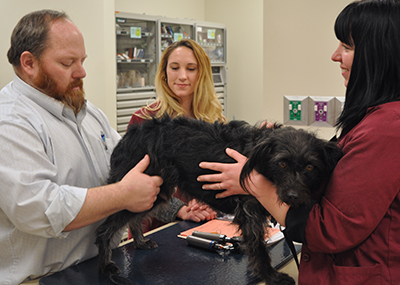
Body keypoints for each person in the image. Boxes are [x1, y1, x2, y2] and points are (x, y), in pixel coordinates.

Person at [199, 0, 400, 284]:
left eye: (347, 46)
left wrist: (251, 182)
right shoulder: (372, 118)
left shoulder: (387, 129)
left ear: (378, 54)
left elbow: (330, 228)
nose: (334, 55)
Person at [0, 10, 163, 284]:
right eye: (67, 62)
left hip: (96, 268)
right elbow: (40, 209)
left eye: (82, 60)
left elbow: (130, 165)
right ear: (28, 63)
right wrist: (122, 195)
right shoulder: (10, 120)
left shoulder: (89, 114)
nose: (81, 72)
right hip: (43, 279)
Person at [129, 39, 224, 231]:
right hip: (155, 232)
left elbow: (218, 176)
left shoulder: (214, 121)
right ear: (164, 72)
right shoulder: (144, 120)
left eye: (191, 69)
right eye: (174, 68)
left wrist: (208, 201)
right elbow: (132, 185)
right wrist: (179, 209)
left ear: (202, 74)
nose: (182, 76)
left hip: (202, 226)